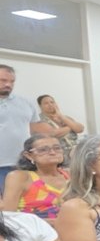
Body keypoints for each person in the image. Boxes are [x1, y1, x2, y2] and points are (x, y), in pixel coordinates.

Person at [0, 65, 51, 196]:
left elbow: (35, 130)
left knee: (22, 205)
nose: (8, 85)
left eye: (11, 82)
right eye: (3, 80)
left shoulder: (25, 103)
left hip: (23, 164)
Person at [0, 135, 69, 221]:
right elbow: (8, 216)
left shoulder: (71, 175)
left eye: (57, 148)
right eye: (43, 150)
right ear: (29, 156)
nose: (52, 152)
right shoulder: (20, 177)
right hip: (33, 231)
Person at [36, 95, 85, 159]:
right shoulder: (38, 120)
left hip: (75, 153)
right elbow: (52, 134)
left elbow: (80, 129)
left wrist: (61, 117)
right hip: (56, 155)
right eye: (46, 103)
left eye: (52, 102)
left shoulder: (65, 118)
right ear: (40, 106)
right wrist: (70, 127)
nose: (50, 105)